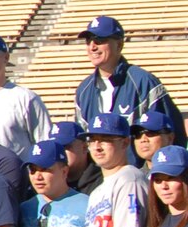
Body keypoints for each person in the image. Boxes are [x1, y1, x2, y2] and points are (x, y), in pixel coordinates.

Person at [74, 15, 182, 150]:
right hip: (100, 171)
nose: (92, 47)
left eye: (99, 40)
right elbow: (82, 144)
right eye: (88, 41)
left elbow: (171, 134)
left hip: (140, 170)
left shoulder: (144, 82)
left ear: (119, 44)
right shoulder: (83, 91)